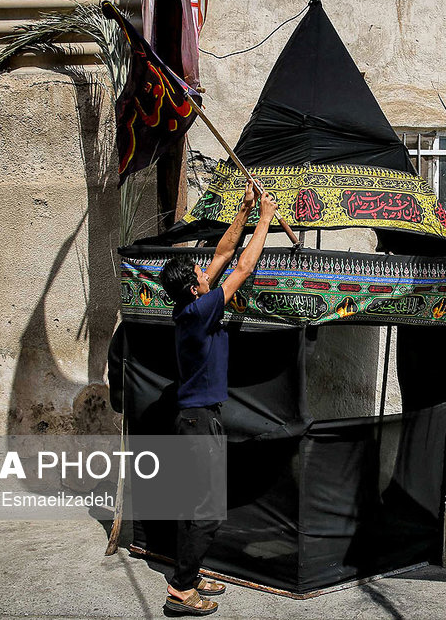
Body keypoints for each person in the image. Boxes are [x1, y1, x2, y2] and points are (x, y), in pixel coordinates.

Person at [157, 181, 277, 616]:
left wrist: (243, 211)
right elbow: (242, 267)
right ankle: (181, 591)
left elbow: (224, 253)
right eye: (201, 276)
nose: (208, 273)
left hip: (196, 421)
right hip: (196, 423)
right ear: (194, 289)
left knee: (197, 508)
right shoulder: (198, 311)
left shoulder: (192, 304)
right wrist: (266, 217)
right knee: (206, 512)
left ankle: (191, 571)